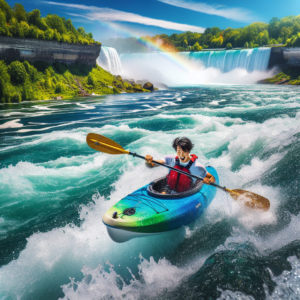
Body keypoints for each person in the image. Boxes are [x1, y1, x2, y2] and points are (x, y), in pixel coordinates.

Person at [145, 137, 215, 194]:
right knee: (163, 193)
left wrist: (209, 181)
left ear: (189, 151)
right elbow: (151, 165)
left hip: (186, 193)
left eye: (184, 151)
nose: (181, 154)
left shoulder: (197, 166)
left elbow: (212, 177)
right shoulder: (170, 158)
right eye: (178, 151)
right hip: (169, 188)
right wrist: (148, 161)